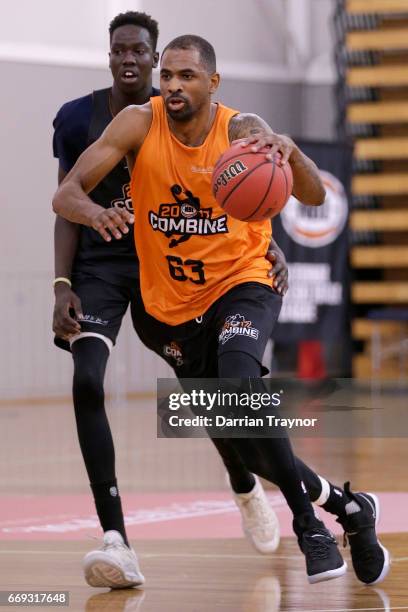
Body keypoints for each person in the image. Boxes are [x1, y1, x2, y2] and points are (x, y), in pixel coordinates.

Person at [53, 34, 390, 587]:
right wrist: (95, 215)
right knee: (242, 443)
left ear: (213, 82)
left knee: (239, 384)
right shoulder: (140, 123)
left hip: (242, 284)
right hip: (170, 309)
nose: (173, 86)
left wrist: (290, 151)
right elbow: (66, 193)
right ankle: (351, 508)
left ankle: (309, 528)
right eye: (168, 76)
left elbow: (312, 196)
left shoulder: (242, 130)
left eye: (187, 76)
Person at [52, 12, 287, 589]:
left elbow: (229, 188)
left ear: (155, 60)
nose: (129, 60)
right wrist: (62, 283)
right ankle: (116, 539)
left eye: (141, 53)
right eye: (119, 51)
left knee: (206, 399)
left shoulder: (177, 111)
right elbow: (65, 196)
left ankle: (244, 485)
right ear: (109, 56)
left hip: (178, 263)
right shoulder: (79, 117)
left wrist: (270, 243)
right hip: (104, 266)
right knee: (87, 382)